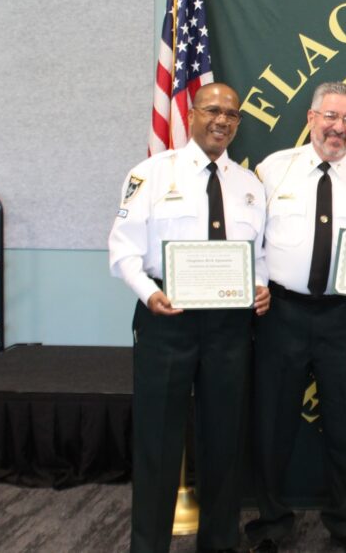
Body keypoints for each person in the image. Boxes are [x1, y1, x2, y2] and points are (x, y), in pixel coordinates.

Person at [108, 82, 270, 553]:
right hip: (168, 318)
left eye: (231, 115)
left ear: (238, 124)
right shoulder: (152, 174)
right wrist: (149, 294)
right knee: (158, 443)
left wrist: (260, 287)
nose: (221, 121)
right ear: (192, 113)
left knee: (224, 441)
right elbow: (123, 250)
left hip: (230, 327)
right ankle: (149, 546)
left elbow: (257, 254)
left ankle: (219, 543)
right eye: (212, 110)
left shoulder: (249, 185)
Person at [244, 82, 346, 553]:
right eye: (331, 116)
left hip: (345, 318)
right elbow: (252, 241)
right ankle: (269, 525)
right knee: (272, 424)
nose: (339, 128)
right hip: (280, 314)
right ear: (310, 118)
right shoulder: (272, 171)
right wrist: (258, 282)